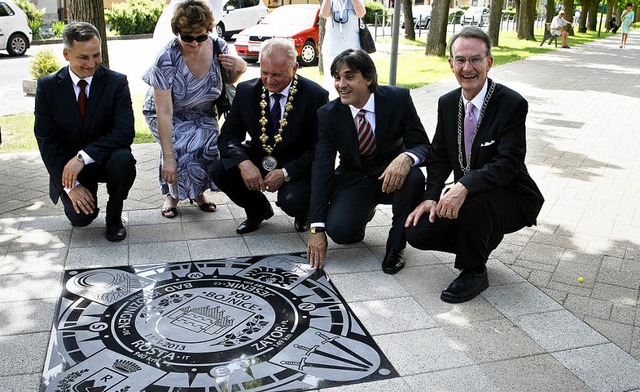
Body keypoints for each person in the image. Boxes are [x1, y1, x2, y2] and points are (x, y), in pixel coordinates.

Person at [404, 26, 544, 304]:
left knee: (473, 201)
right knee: (417, 230)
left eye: (475, 59)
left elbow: (508, 162)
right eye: (460, 60)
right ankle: (479, 239)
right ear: (451, 64)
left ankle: (474, 270)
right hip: (470, 200)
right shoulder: (447, 103)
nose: (468, 67)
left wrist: (463, 186)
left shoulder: (512, 104)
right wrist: (431, 196)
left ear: (489, 62)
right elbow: (440, 154)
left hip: (512, 196)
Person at [307, 48, 430, 274]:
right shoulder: (328, 114)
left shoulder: (398, 99)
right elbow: (322, 167)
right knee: (342, 233)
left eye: (349, 76)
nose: (341, 84)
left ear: (369, 78)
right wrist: (316, 228)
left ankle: (396, 247)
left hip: (393, 178)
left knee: (413, 176)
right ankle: (363, 211)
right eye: (337, 77)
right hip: (355, 178)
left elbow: (423, 145)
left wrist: (406, 157)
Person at [212, 38, 329, 234]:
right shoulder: (247, 91)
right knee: (220, 169)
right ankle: (257, 210)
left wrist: (285, 173)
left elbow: (320, 148)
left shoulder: (315, 96)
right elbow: (228, 137)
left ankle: (304, 212)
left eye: (277, 74)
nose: (269, 80)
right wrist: (244, 163)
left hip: (298, 164)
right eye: (264, 73)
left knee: (292, 200)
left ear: (294, 68)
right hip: (261, 155)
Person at [142, 0, 247, 218]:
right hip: (167, 111)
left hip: (202, 110)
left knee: (208, 142)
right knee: (180, 144)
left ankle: (198, 193)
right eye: (187, 37)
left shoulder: (219, 47)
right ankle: (172, 195)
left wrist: (240, 68)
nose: (194, 43)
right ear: (177, 33)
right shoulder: (166, 58)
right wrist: (168, 156)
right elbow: (164, 112)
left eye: (201, 36)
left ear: (209, 30)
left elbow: (229, 81)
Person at [34, 22, 136, 242]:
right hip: (69, 169)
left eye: (96, 55)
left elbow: (125, 132)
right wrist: (70, 186)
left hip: (105, 159)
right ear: (66, 54)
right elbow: (46, 142)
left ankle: (114, 218)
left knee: (124, 160)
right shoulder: (47, 87)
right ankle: (83, 198)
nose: (92, 63)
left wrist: (83, 156)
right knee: (81, 219)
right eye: (83, 57)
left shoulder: (116, 82)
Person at [320, 0, 366, 97]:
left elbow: (361, 13)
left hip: (352, 48)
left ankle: (351, 104)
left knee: (352, 78)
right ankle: (334, 106)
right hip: (332, 48)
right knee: (332, 82)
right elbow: (324, 14)